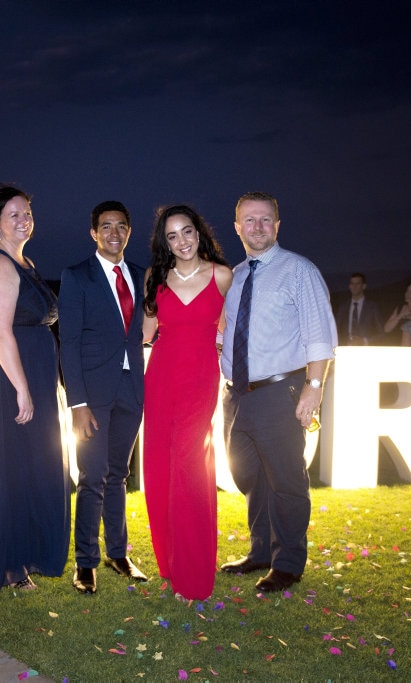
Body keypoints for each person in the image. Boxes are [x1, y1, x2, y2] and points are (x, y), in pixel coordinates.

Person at [219, 191, 337, 593]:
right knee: (249, 475)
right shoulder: (234, 277)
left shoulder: (299, 271)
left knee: (285, 479)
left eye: (265, 220)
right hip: (236, 395)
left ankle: (287, 561)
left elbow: (320, 335)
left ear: (277, 225)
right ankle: (261, 551)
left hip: (278, 391)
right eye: (249, 221)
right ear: (237, 228)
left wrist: (314, 387)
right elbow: (228, 331)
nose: (257, 227)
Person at [0, 184, 70, 596]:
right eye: (14, 215)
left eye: (27, 213)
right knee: (6, 464)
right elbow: (1, 333)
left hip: (30, 372)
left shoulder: (24, 261)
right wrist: (22, 389)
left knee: (27, 464)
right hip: (6, 376)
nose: (23, 219)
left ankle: (22, 555)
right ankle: (6, 565)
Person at [141, 204, 233, 601]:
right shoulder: (155, 278)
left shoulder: (223, 276)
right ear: (165, 242)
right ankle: (171, 564)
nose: (181, 242)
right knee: (160, 471)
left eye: (187, 232)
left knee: (190, 470)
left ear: (200, 233)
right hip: (159, 380)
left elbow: (228, 330)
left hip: (200, 381)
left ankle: (194, 576)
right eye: (172, 236)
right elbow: (145, 336)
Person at [58, 201, 149, 595]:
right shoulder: (77, 277)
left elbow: (147, 329)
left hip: (131, 390)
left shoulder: (143, 276)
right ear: (93, 233)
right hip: (91, 398)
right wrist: (76, 404)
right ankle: (85, 563)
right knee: (92, 477)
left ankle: (117, 553)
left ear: (129, 231)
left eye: (122, 226)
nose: (114, 232)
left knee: (119, 476)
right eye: (106, 226)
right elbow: (70, 342)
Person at [334, 272, 383, 345]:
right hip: (345, 349)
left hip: (365, 350)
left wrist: (364, 341)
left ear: (364, 286)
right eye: (352, 284)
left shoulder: (372, 307)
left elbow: (381, 333)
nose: (354, 286)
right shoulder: (343, 307)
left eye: (357, 284)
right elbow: (335, 329)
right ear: (349, 286)